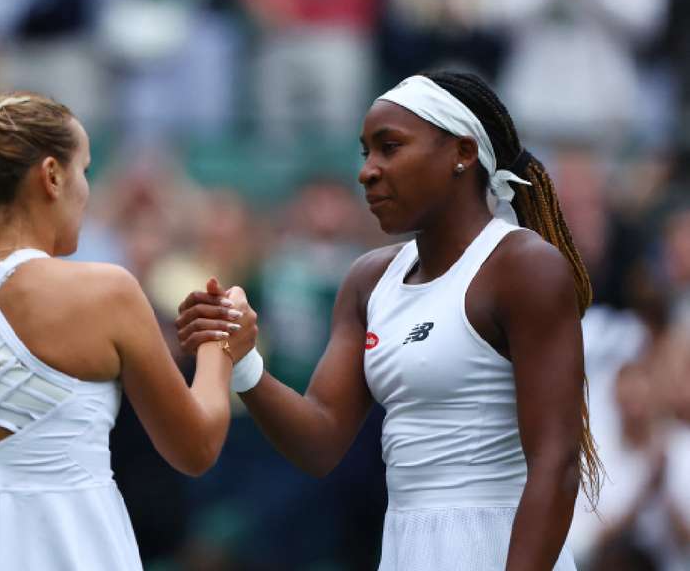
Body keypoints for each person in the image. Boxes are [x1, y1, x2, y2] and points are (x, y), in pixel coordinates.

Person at [177, 72, 602, 570]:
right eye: (365, 154)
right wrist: (244, 358)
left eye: (390, 147)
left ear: (462, 153)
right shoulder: (368, 279)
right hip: (402, 548)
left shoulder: (524, 266)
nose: (368, 171)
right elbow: (320, 442)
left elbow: (556, 463)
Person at [0, 92, 255, 571]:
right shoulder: (107, 293)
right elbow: (195, 448)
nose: (87, 191)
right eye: (85, 171)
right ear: (52, 176)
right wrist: (221, 343)